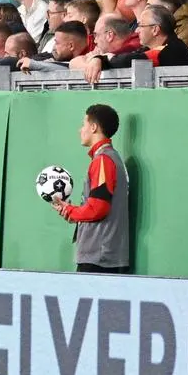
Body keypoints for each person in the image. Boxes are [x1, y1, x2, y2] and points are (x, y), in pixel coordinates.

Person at [51, 103, 131, 273]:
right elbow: (96, 206)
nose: (80, 130)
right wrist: (74, 213)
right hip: (105, 256)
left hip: (99, 259)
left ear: (94, 127)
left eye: (84, 124)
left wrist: (72, 211)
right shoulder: (110, 158)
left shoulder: (103, 160)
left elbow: (98, 208)